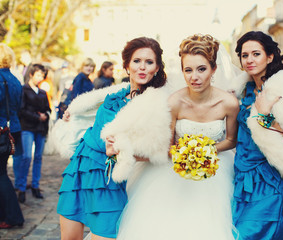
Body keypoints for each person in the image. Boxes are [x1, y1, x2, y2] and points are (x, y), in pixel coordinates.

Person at [112, 34, 239, 240]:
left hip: (216, 172)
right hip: (175, 171)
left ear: (213, 69)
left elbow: (231, 140)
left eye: (201, 69)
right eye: (188, 70)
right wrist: (185, 154)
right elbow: (167, 145)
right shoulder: (174, 102)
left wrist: (206, 152)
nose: (194, 77)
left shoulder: (229, 103)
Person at [57, 37, 167, 239]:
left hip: (110, 178)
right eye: (136, 61)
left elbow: (159, 150)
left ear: (157, 67)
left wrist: (122, 150)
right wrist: (74, 114)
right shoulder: (114, 94)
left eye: (149, 62)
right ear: (127, 66)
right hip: (80, 168)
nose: (142, 67)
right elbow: (91, 113)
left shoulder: (156, 104)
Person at [232, 31, 283, 239]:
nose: (249, 60)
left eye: (256, 54)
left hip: (267, 177)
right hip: (241, 176)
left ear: (270, 56)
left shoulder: (282, 88)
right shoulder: (243, 89)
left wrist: (264, 115)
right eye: (244, 55)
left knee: (247, 235)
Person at [17, 63, 51, 203]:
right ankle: (21, 187)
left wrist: (45, 116)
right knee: (26, 157)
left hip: (40, 128)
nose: (40, 78)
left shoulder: (42, 92)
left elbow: (48, 109)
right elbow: (22, 110)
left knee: (38, 157)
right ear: (31, 74)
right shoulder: (23, 90)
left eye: (42, 76)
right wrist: (37, 116)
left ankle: (35, 185)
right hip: (27, 127)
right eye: (38, 75)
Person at [0, 43, 24, 229]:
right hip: (12, 130)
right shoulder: (15, 79)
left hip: (2, 130)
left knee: (1, 175)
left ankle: (13, 216)